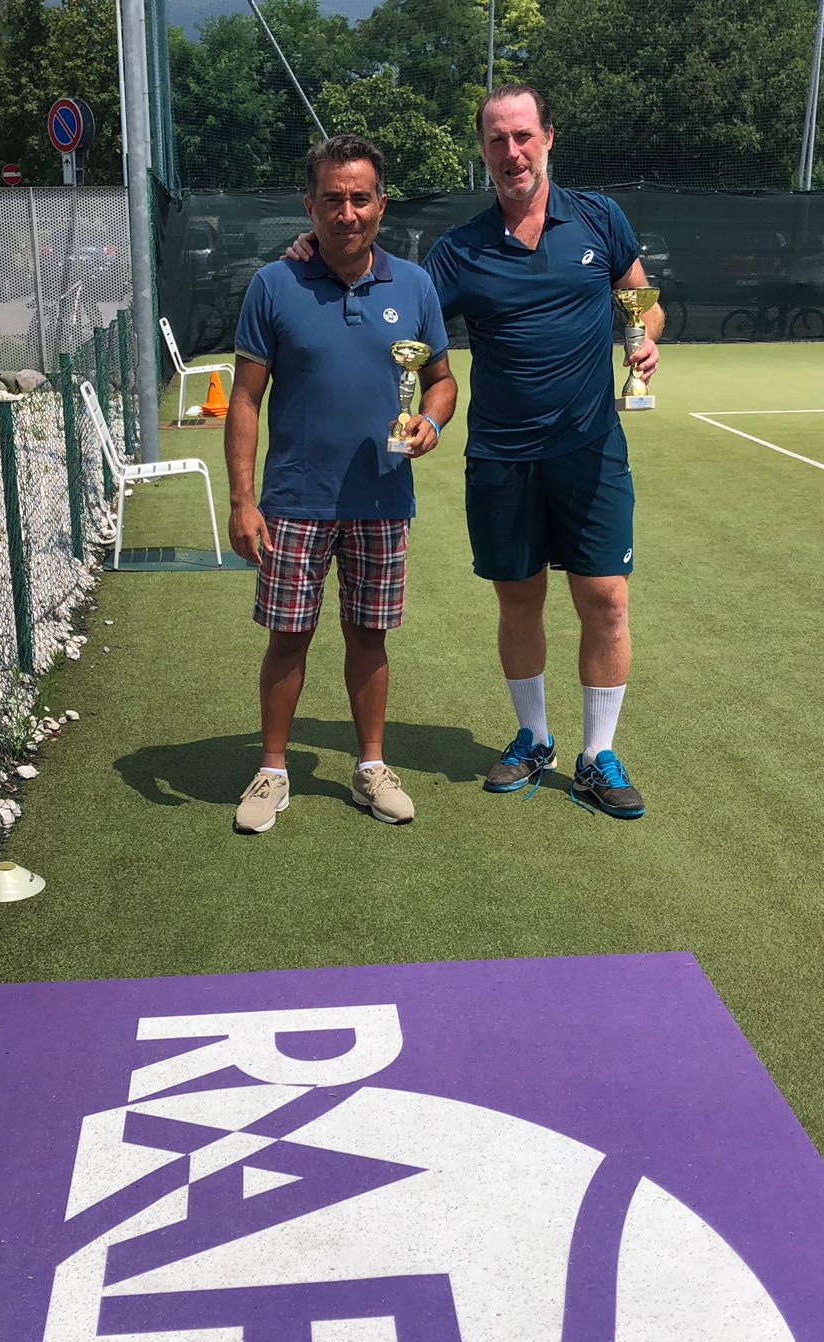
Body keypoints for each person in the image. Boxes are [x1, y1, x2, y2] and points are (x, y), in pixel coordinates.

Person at [289, 86, 663, 819]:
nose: (511, 152)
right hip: (500, 458)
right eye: (497, 140)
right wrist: (316, 249)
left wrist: (645, 340)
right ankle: (534, 737)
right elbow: (397, 302)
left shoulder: (600, 219)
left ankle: (598, 754)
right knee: (519, 602)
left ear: (548, 137)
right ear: (484, 151)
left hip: (591, 451)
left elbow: (642, 302)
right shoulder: (458, 250)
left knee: (606, 600)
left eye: (523, 136)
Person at [226, 133, 457, 835]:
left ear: (382, 204)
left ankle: (371, 768)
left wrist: (430, 423)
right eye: (333, 199)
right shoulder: (274, 284)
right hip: (295, 500)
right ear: (310, 205)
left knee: (369, 637)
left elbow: (442, 382)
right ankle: (272, 771)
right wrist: (242, 501)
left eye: (360, 198)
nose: (347, 213)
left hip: (383, 499)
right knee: (287, 638)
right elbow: (244, 400)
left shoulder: (415, 286)